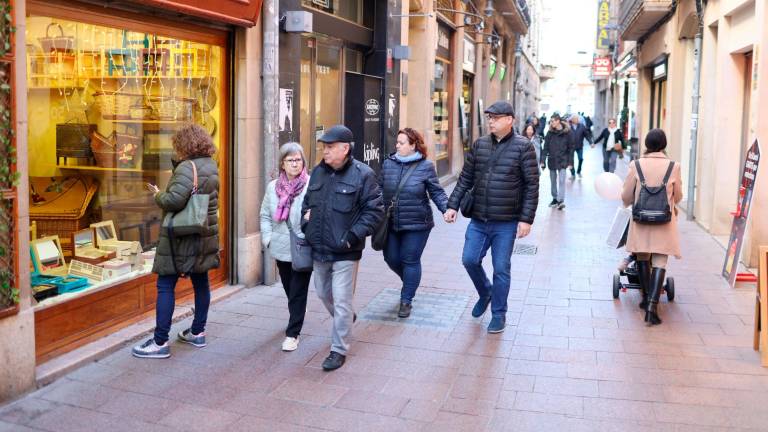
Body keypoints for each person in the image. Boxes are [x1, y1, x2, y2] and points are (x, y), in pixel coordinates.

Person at [444, 101, 539, 334]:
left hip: (506, 222)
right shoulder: (480, 145)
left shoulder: (524, 147)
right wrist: (452, 205)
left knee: (501, 268)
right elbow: (465, 179)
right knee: (469, 260)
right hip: (478, 219)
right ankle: (485, 291)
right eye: (489, 118)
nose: (491, 122)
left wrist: (526, 219)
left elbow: (531, 186)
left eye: (496, 118)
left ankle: (498, 314)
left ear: (510, 120)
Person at [132, 124, 219, 359]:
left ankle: (160, 342)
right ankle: (198, 332)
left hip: (181, 237)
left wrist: (158, 194)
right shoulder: (210, 165)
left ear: (184, 145)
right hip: (204, 233)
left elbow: (173, 201)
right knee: (201, 282)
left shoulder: (185, 168)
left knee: (165, 284)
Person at [301, 125, 384, 371]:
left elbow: (375, 210)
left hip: (346, 250)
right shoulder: (317, 172)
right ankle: (346, 318)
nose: (324, 152)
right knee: (323, 293)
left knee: (342, 299)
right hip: (319, 246)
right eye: (323, 147)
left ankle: (338, 349)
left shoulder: (363, 174)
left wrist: (352, 236)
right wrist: (306, 226)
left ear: (345, 149)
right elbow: (307, 203)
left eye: (329, 147)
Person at [379, 128, 448, 318]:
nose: (397, 146)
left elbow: (436, 192)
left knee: (410, 260)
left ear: (413, 145)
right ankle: (410, 281)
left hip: (418, 223)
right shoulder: (388, 164)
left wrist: (446, 209)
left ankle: (406, 299)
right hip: (391, 222)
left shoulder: (425, 166)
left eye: (402, 143)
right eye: (397, 142)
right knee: (391, 258)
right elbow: (378, 189)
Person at [621, 129, 682, 326]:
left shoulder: (636, 165)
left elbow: (626, 196)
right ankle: (652, 308)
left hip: (641, 220)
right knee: (660, 261)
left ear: (647, 144)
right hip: (664, 221)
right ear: (664, 145)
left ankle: (645, 298)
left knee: (641, 255)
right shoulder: (674, 166)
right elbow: (678, 196)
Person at [260, 142, 311, 352]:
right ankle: (297, 311)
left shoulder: (311, 185)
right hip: (280, 245)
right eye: (290, 160)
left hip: (302, 245)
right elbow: (264, 214)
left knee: (298, 291)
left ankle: (293, 333)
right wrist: (268, 238)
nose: (295, 164)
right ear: (282, 163)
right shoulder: (273, 187)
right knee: (290, 289)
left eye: (298, 160)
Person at [540, 113, 573, 210]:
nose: (551, 123)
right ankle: (554, 198)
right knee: (553, 181)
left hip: (563, 160)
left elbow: (571, 148)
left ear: (558, 121)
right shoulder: (550, 133)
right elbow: (545, 148)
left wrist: (570, 162)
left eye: (553, 121)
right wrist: (542, 161)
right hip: (552, 160)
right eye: (550, 121)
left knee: (562, 181)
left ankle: (561, 200)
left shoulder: (567, 133)